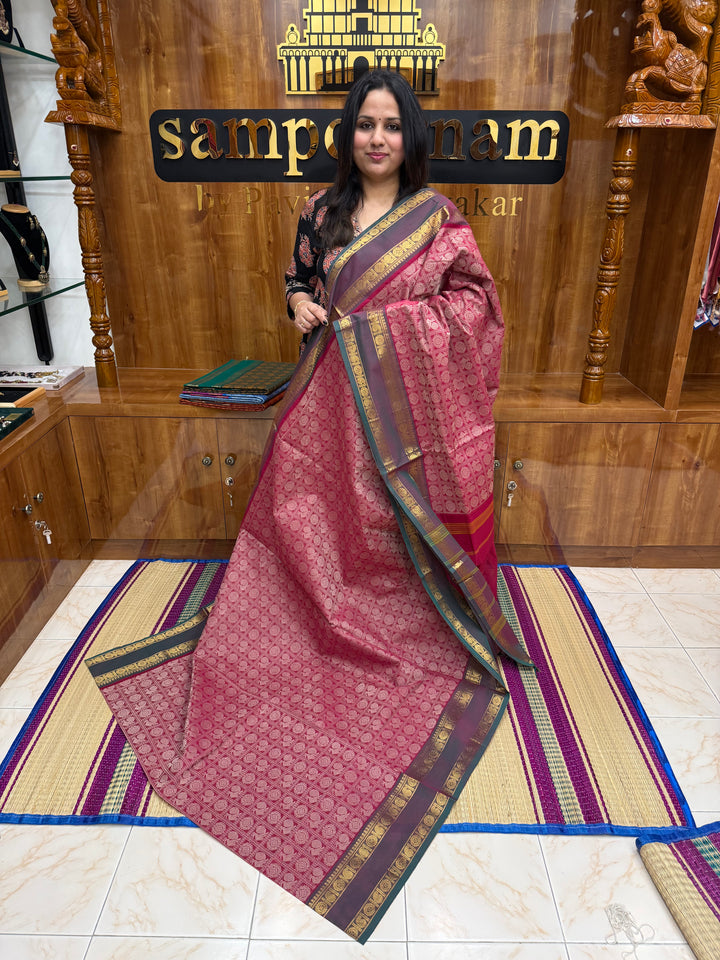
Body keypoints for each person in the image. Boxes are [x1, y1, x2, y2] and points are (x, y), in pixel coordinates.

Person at [89, 69, 532, 944]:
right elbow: (297, 282)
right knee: (310, 523)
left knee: (382, 528)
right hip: (324, 400)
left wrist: (379, 328)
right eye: (364, 125)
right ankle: (310, 614)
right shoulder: (320, 213)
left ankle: (403, 619)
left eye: (391, 127)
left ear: (410, 139)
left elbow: (476, 309)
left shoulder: (440, 222)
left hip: (400, 417)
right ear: (348, 133)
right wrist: (297, 301)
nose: (376, 138)